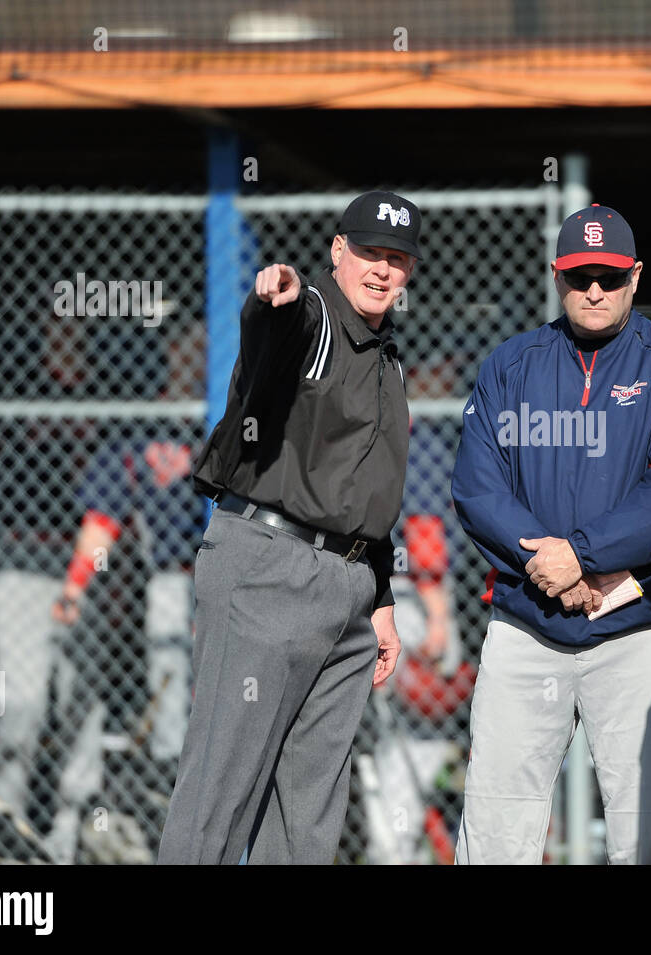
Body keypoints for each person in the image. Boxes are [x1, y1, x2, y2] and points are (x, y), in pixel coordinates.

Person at [158, 190, 423, 865]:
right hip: (269, 568)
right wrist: (271, 297)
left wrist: (383, 598)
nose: (382, 269)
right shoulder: (314, 320)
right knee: (221, 791)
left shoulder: (387, 360)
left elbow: (364, 490)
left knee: (308, 817)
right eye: (369, 252)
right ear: (338, 250)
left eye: (397, 258)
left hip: (350, 592)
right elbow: (275, 327)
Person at [451, 204, 651, 864]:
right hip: (526, 619)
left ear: (634, 278)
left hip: (631, 627)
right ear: (556, 277)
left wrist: (584, 555)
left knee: (646, 827)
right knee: (495, 824)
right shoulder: (511, 364)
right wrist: (549, 562)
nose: (593, 289)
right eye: (579, 276)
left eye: (608, 275)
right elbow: (478, 488)